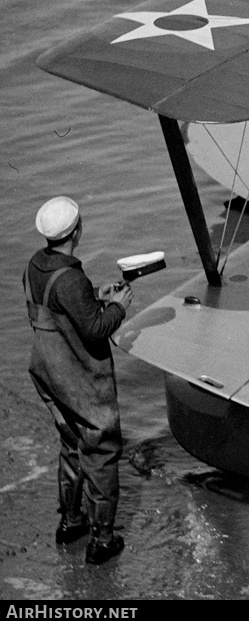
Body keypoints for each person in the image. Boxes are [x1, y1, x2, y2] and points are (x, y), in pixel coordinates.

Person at [24, 197, 131, 565]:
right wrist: (119, 306)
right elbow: (96, 327)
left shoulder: (36, 265)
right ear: (77, 231)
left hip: (45, 370)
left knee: (71, 443)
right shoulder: (70, 277)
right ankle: (102, 541)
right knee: (100, 450)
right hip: (74, 376)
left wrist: (95, 294)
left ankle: (70, 523)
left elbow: (59, 305)